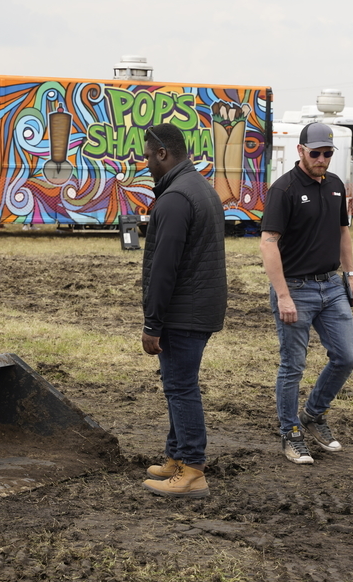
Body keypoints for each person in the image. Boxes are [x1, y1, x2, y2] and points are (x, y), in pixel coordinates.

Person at [260, 122, 353, 465]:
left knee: (346, 357)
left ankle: (313, 415)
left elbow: (343, 232)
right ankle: (290, 432)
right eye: (314, 152)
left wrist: (350, 276)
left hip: (332, 286)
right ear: (300, 150)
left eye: (327, 153)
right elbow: (269, 242)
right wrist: (283, 295)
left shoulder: (335, 185)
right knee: (293, 365)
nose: (321, 158)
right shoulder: (283, 189)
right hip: (296, 289)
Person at [139, 123, 227, 498]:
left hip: (183, 310)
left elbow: (164, 267)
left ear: (163, 154)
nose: (145, 164)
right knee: (177, 385)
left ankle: (192, 469)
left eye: (147, 156)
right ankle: (176, 457)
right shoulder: (200, 187)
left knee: (181, 387)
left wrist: (152, 323)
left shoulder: (176, 197)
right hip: (199, 305)